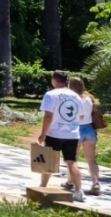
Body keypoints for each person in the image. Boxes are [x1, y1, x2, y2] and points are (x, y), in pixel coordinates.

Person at [39, 70, 84, 201]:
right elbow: (81, 116)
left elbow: (48, 116)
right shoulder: (76, 96)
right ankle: (79, 190)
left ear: (54, 80)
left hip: (55, 133)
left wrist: (43, 133)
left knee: (49, 161)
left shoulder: (51, 95)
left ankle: (42, 187)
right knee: (71, 161)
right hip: (72, 134)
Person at [69, 77, 101, 196]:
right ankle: (95, 183)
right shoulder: (89, 98)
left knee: (73, 158)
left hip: (76, 129)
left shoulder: (72, 99)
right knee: (91, 160)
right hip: (89, 130)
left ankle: (70, 181)